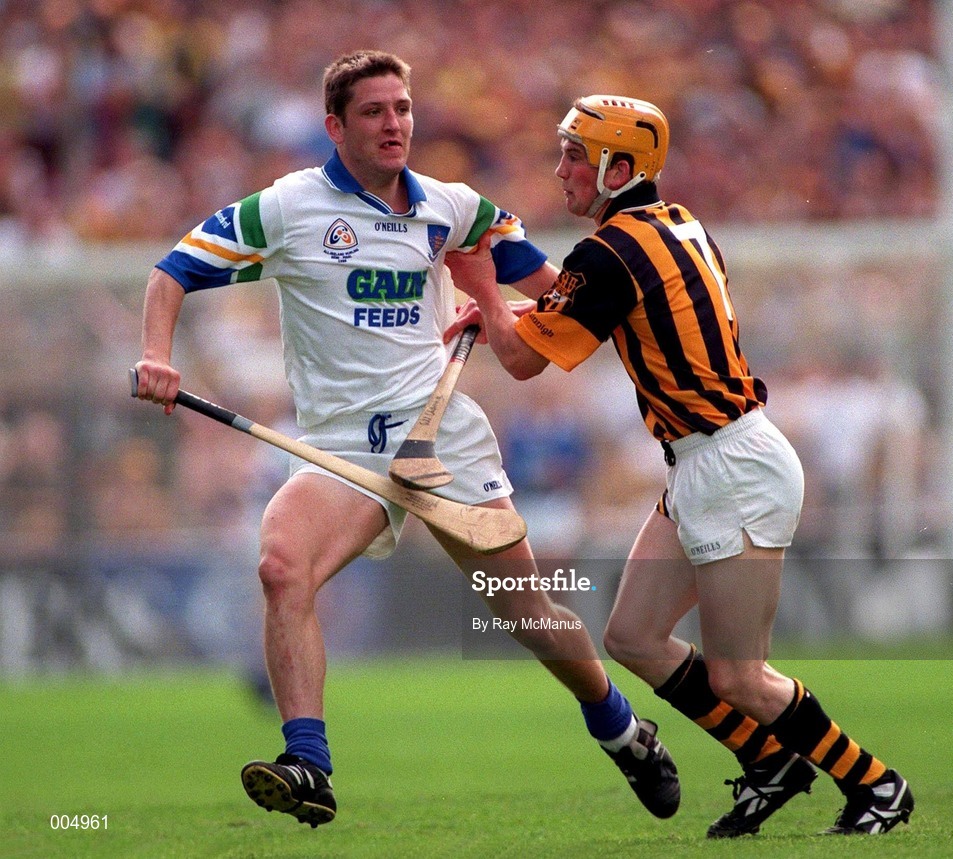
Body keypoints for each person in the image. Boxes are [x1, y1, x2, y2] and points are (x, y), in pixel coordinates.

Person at [133, 53, 679, 828]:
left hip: (441, 436)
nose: (394, 124)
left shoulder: (452, 207)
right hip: (344, 451)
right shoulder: (287, 208)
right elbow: (173, 269)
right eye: (374, 112)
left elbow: (557, 291)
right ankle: (309, 764)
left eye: (403, 108)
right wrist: (157, 354)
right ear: (335, 126)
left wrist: (519, 317)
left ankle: (620, 727)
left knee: (521, 609)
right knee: (281, 564)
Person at [445, 94, 915, 837]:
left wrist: (483, 294)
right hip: (706, 462)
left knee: (739, 674)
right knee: (632, 636)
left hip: (731, 465)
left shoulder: (607, 252)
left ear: (620, 169)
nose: (561, 169)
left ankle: (876, 783)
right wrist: (512, 311)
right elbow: (585, 310)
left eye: (576, 156)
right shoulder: (674, 222)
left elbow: (525, 362)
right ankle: (770, 764)